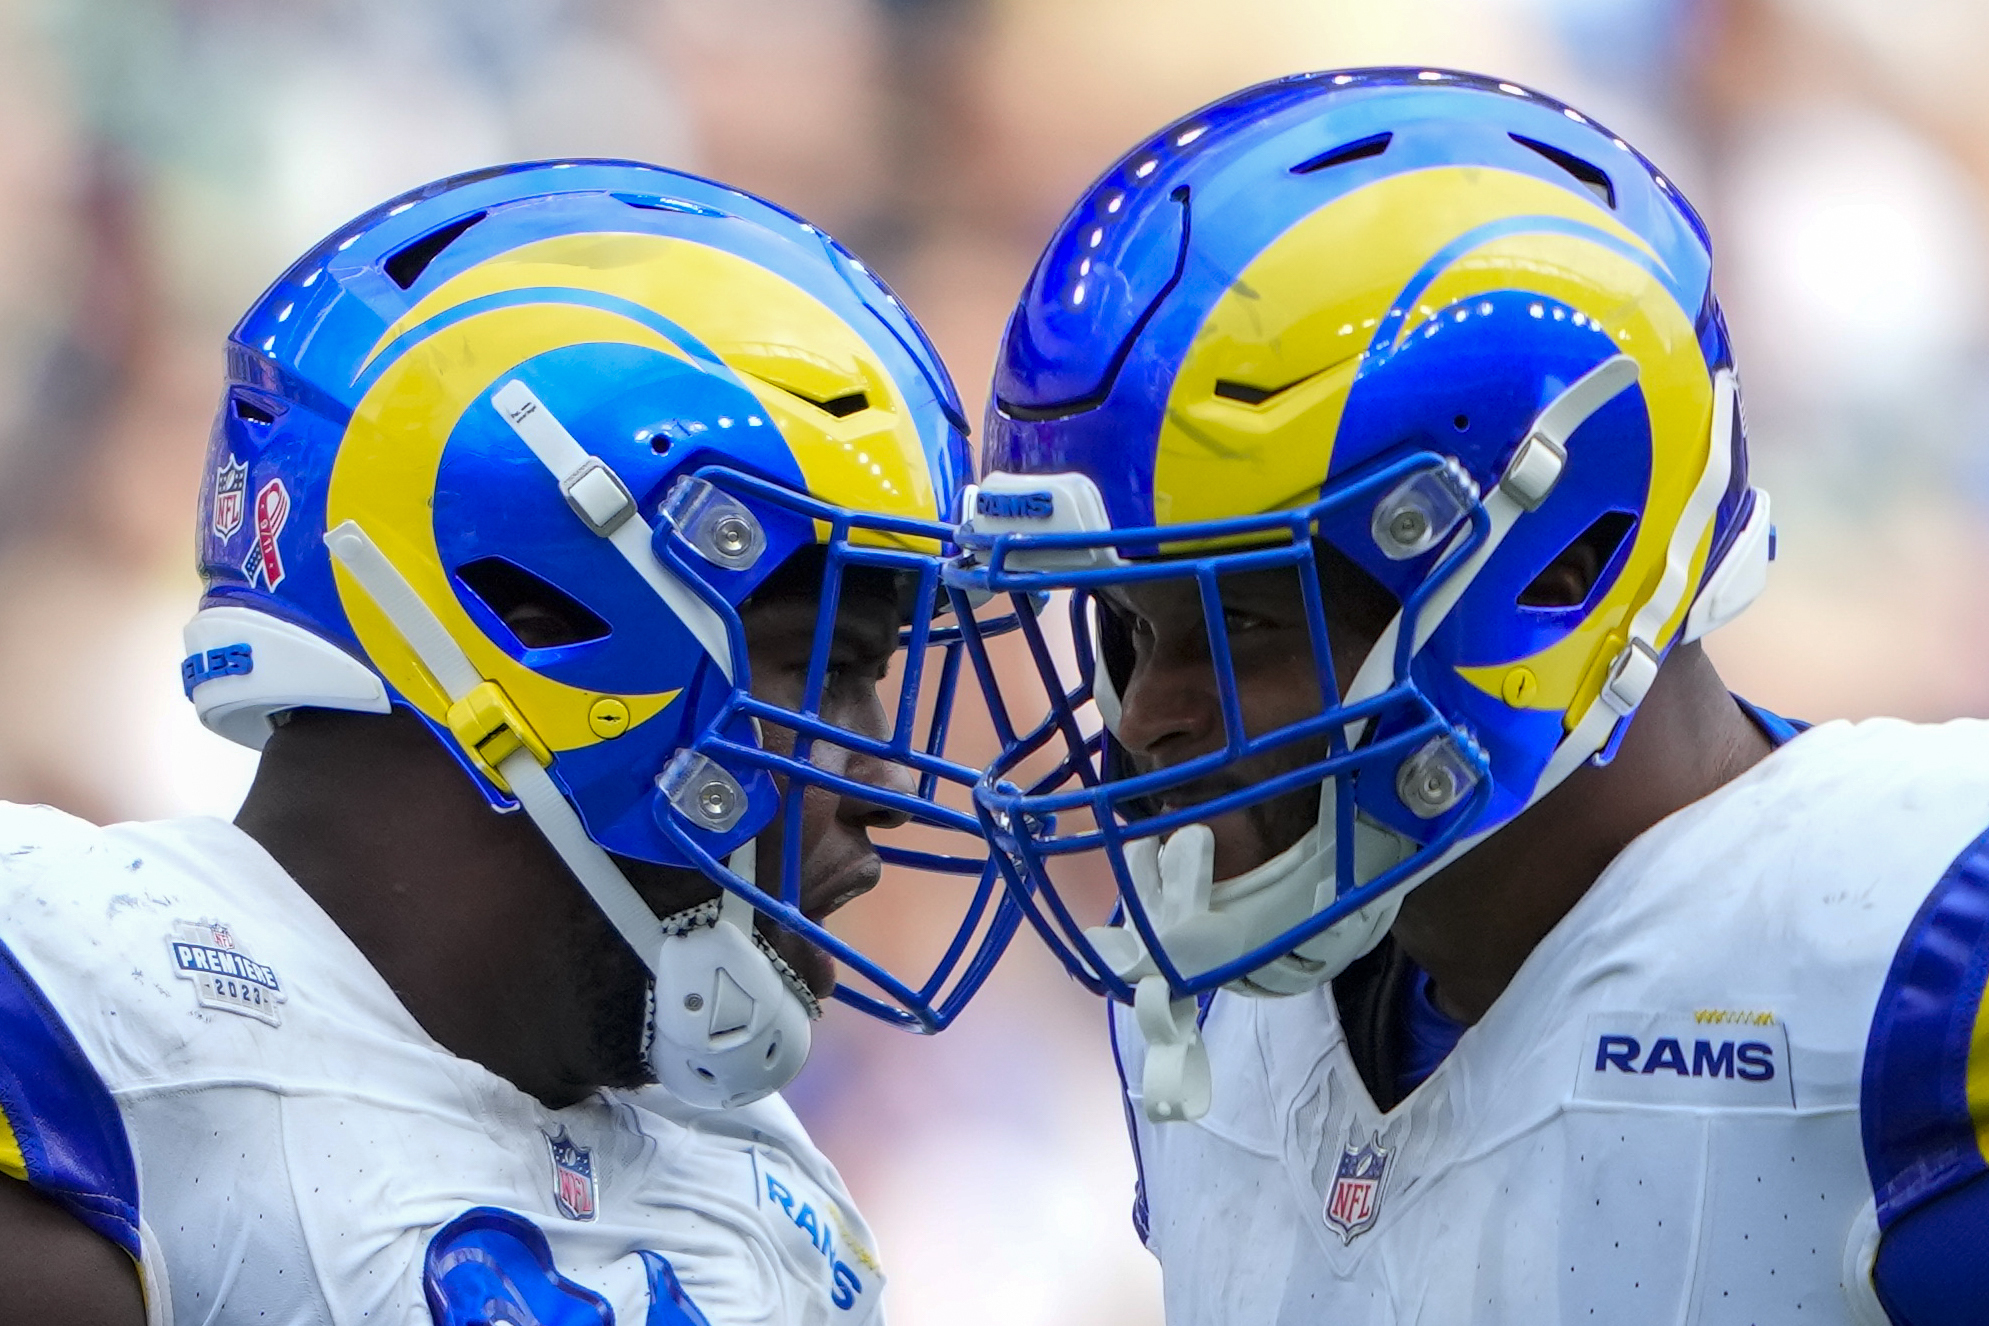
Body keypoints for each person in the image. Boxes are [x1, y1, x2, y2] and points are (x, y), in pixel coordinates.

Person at [945, 70, 1989, 1324]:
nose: (1147, 717)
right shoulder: (1217, 1018)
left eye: (1245, 626)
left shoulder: (1920, 948)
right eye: (1127, 631)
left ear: (1551, 571)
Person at [0, 159, 1015, 1324]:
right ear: (533, 628)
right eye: (823, 670)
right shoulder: (84, 1028)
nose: (883, 781)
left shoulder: (763, 1201)